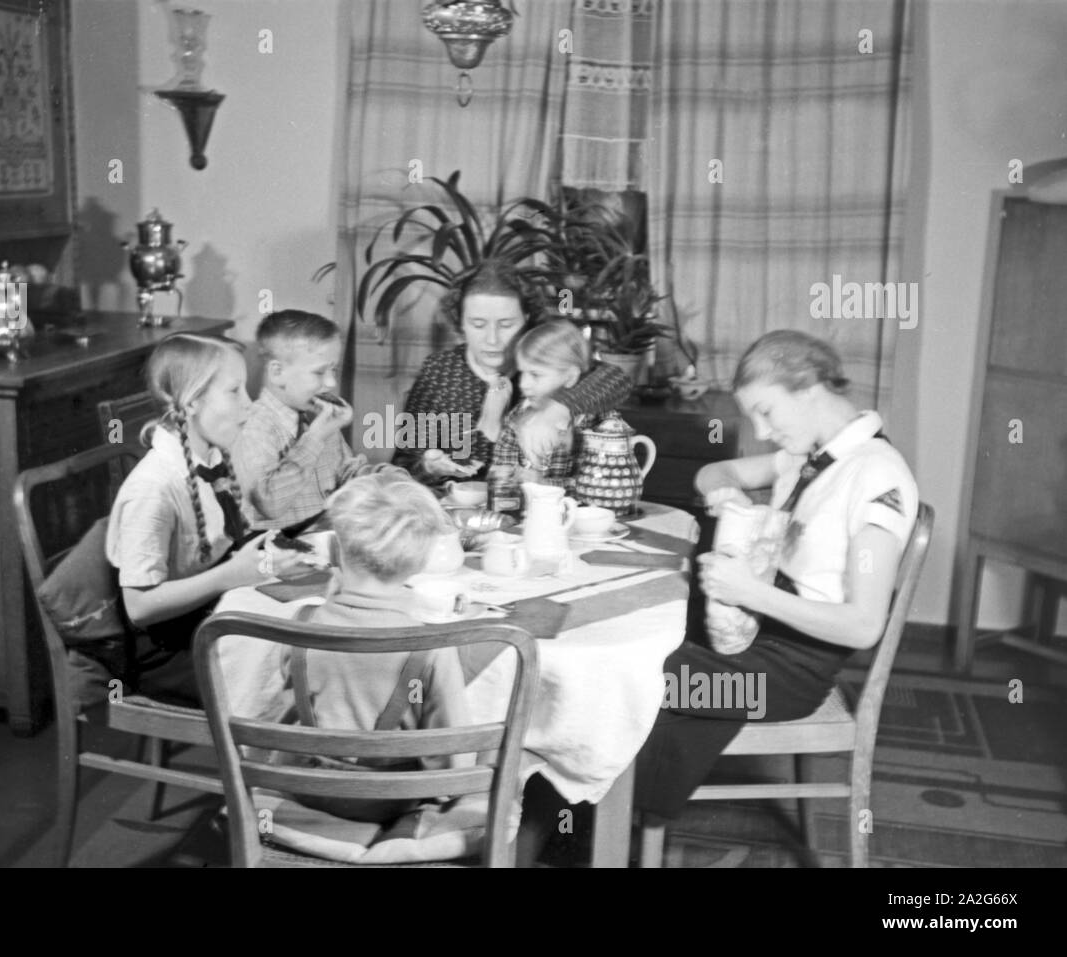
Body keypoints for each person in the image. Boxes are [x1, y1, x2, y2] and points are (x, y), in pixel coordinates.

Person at [630, 329, 920, 836]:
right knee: (634, 641)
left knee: (638, 680)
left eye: (767, 411)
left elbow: (863, 626)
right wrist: (728, 498)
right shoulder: (809, 455)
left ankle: (612, 824)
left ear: (809, 389)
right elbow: (715, 472)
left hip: (786, 674)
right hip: (750, 636)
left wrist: (752, 592)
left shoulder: (877, 478)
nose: (761, 431)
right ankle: (616, 817)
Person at [104, 333, 318, 702]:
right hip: (170, 654)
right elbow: (139, 608)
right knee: (306, 665)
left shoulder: (212, 462)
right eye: (235, 391)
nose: (249, 405)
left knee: (315, 634)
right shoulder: (154, 487)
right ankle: (273, 755)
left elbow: (228, 552)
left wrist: (270, 562)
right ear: (190, 402)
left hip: (210, 618)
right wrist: (231, 576)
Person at [285, 472, 475, 822]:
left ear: (335, 549)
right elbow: (453, 767)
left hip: (307, 792)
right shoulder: (430, 647)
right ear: (421, 561)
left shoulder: (301, 623)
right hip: (394, 803)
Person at [393, 258, 633, 483]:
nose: (492, 339)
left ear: (527, 319)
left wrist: (557, 409)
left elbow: (614, 378)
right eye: (478, 324)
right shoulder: (438, 374)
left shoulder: (544, 359)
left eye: (506, 324)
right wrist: (428, 466)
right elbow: (402, 465)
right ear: (461, 323)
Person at [231, 309, 403, 530]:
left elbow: (346, 474)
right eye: (319, 372)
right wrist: (316, 437)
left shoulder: (316, 416)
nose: (331, 382)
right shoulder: (254, 427)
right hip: (277, 550)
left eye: (334, 369)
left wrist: (389, 477)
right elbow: (270, 503)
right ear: (277, 372)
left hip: (324, 538)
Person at [491, 318, 612, 489]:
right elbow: (501, 474)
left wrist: (544, 484)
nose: (523, 384)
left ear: (570, 376)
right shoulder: (517, 417)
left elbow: (598, 484)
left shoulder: (600, 422)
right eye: (522, 373)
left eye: (535, 374)